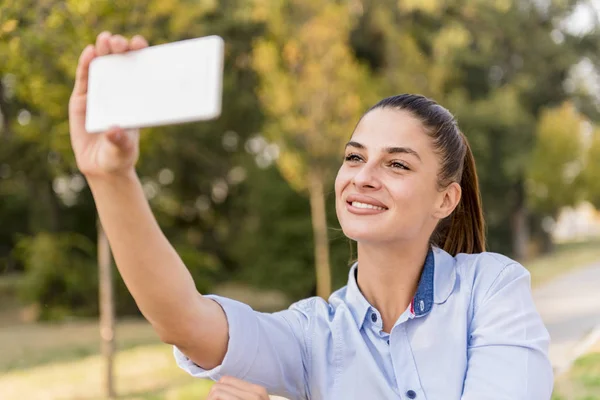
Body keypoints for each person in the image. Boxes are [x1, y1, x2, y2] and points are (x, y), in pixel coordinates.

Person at [69, 32, 554, 400]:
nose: (363, 176)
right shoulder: (312, 334)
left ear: (445, 200)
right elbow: (185, 323)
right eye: (354, 157)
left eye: (398, 164)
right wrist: (111, 179)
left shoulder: (491, 289)